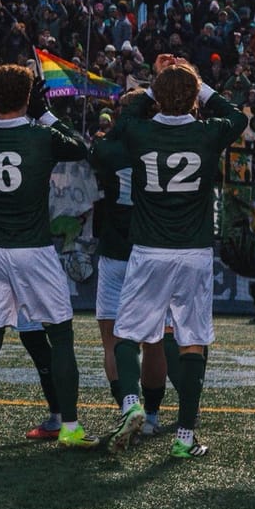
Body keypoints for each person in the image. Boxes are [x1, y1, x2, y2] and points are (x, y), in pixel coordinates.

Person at [0, 64, 99, 451]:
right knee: (61, 337)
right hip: (34, 249)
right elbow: (80, 147)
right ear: (27, 98)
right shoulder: (42, 136)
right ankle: (69, 426)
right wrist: (45, 112)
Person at [93, 55, 247, 460]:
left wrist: (154, 87)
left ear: (157, 98)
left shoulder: (139, 130)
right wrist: (198, 83)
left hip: (148, 250)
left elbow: (123, 121)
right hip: (194, 252)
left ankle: (131, 403)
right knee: (191, 342)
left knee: (127, 333)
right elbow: (237, 116)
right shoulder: (208, 132)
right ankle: (184, 436)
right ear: (194, 98)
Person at [88, 89, 176, 438]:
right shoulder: (166, 145)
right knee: (154, 341)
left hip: (116, 250)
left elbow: (96, 154)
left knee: (113, 340)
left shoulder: (110, 147)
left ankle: (128, 407)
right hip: (154, 249)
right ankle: (151, 415)